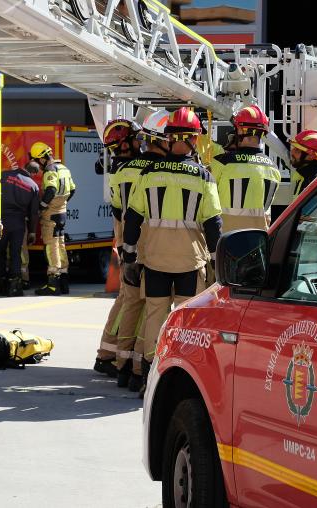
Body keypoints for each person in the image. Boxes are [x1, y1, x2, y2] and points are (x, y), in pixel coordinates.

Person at [122, 107, 222, 396]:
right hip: (190, 261)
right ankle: (180, 378)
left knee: (155, 315)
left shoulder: (149, 173)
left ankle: (149, 378)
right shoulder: (204, 177)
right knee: (185, 319)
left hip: (154, 259)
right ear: (195, 139)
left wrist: (129, 256)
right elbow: (213, 224)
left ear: (168, 138)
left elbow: (133, 217)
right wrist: (218, 263)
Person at [109, 110, 169, 391]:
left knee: (131, 303)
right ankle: (139, 369)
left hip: (125, 244)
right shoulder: (158, 170)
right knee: (152, 308)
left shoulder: (120, 172)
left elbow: (118, 211)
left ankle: (121, 366)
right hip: (152, 245)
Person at [93, 118, 143, 377]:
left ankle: (108, 353)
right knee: (133, 300)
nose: (141, 142)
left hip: (124, 240)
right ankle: (112, 355)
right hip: (134, 243)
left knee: (126, 299)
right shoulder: (138, 170)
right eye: (137, 138)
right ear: (127, 142)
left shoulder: (118, 171)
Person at [211, 105, 280, 232]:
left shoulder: (222, 163)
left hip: (226, 241)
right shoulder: (274, 168)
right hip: (258, 241)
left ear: (241, 131)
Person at [0, 160, 40, 297]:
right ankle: (15, 286)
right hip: (18, 223)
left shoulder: (4, 175)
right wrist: (31, 231)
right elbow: (33, 213)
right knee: (15, 254)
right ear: (34, 173)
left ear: (24, 167)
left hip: (1, 221)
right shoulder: (33, 186)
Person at [34, 143, 76, 296]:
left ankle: (53, 284)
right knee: (60, 244)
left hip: (50, 214)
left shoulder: (50, 171)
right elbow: (72, 189)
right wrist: (62, 203)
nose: (37, 165)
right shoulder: (64, 168)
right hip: (62, 212)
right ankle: (64, 282)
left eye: (36, 160)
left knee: (51, 246)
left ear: (41, 159)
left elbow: (51, 190)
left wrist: (42, 207)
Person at [289, 129, 317, 201]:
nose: (292, 151)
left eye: (297, 150)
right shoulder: (307, 176)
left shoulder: (314, 185)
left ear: (311, 156)